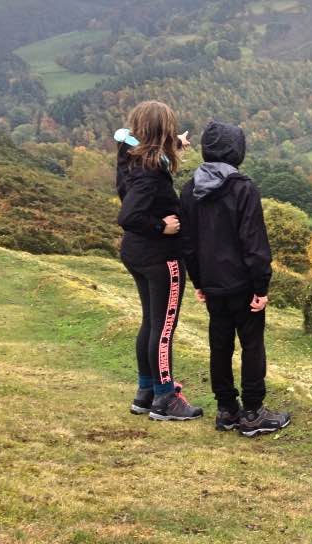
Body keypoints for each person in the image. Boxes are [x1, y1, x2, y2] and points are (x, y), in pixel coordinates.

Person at [180, 120, 290, 437]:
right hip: (243, 284)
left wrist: (199, 281)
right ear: (237, 150)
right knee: (252, 346)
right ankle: (253, 413)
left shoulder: (189, 190)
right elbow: (254, 244)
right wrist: (261, 287)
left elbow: (188, 243)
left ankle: (226, 410)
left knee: (220, 344)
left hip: (213, 284)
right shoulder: (243, 189)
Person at [116, 100, 203, 421]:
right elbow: (129, 215)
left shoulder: (128, 154)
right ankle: (166, 397)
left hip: (135, 253)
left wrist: (176, 142)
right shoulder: (152, 174)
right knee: (164, 330)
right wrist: (161, 227)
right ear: (161, 132)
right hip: (160, 257)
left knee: (150, 324)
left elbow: (146, 151)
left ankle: (146, 391)